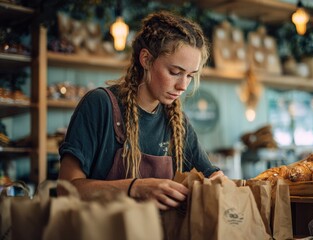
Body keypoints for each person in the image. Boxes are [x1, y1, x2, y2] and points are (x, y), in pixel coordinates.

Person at [58, 10, 224, 210]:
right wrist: (134, 188)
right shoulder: (99, 104)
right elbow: (66, 189)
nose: (183, 86)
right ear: (146, 59)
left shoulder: (176, 122)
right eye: (175, 72)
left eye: (190, 75)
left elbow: (211, 177)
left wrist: (218, 182)